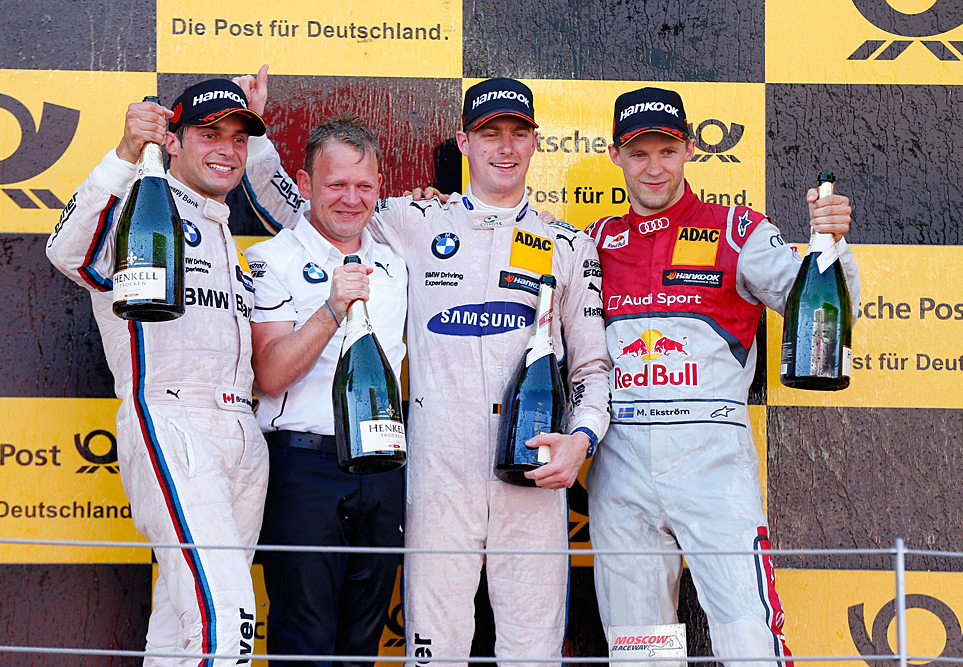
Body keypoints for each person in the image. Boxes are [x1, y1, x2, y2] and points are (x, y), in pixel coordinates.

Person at [242, 77, 612, 666]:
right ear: (464, 142)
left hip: (533, 469)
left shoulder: (568, 244)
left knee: (533, 652)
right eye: (490, 134)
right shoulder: (414, 219)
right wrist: (255, 136)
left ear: (536, 142)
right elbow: (312, 210)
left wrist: (582, 439)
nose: (505, 148)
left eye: (518, 134)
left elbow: (592, 365)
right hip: (437, 473)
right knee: (434, 652)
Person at [584, 87, 860, 665]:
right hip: (620, 459)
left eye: (667, 150)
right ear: (615, 155)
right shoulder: (596, 241)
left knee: (747, 635)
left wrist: (834, 243)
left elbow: (823, 309)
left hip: (712, 458)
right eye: (638, 153)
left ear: (690, 148)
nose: (654, 167)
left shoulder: (739, 230)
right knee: (639, 649)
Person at [46, 78, 275, 666]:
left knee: (179, 626)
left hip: (241, 429)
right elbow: (68, 253)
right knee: (227, 618)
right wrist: (126, 153)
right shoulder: (141, 202)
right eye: (209, 134)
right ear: (172, 141)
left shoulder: (223, 227)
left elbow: (319, 217)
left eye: (239, 138)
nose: (227, 149)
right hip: (172, 418)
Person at [244, 115, 407, 667]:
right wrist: (332, 309)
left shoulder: (396, 261)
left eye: (364, 186)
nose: (350, 199)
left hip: (383, 466)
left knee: (362, 645)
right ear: (306, 183)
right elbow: (269, 374)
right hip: (304, 466)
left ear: (380, 187)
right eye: (336, 184)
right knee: (304, 641)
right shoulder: (271, 260)